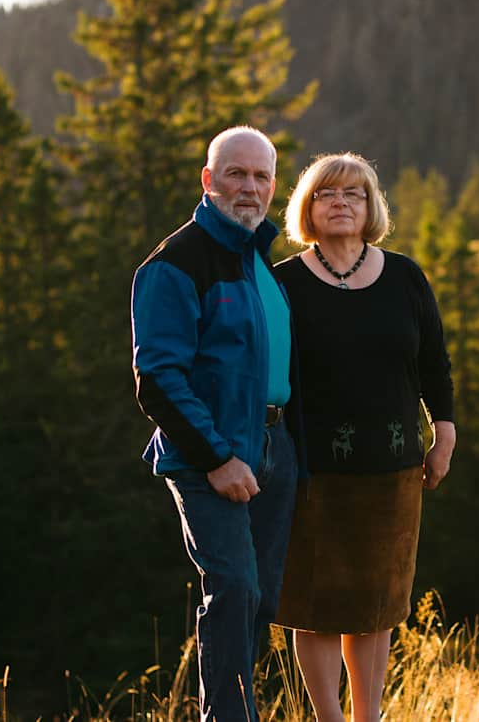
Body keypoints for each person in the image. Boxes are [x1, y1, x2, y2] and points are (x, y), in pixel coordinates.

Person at [272, 152, 456, 722]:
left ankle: (367, 718)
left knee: (378, 605)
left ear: (372, 205)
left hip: (395, 468)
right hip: (312, 472)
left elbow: (434, 363)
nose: (342, 203)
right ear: (308, 207)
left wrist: (443, 431)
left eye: (354, 194)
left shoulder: (404, 276)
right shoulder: (283, 284)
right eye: (327, 194)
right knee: (318, 607)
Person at [131, 126, 303, 722]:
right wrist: (217, 457)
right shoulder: (175, 263)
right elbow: (157, 379)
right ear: (209, 180)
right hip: (211, 456)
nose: (249, 187)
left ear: (274, 186)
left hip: (274, 450)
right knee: (233, 589)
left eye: (260, 177)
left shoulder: (261, 261)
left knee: (260, 602)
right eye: (236, 173)